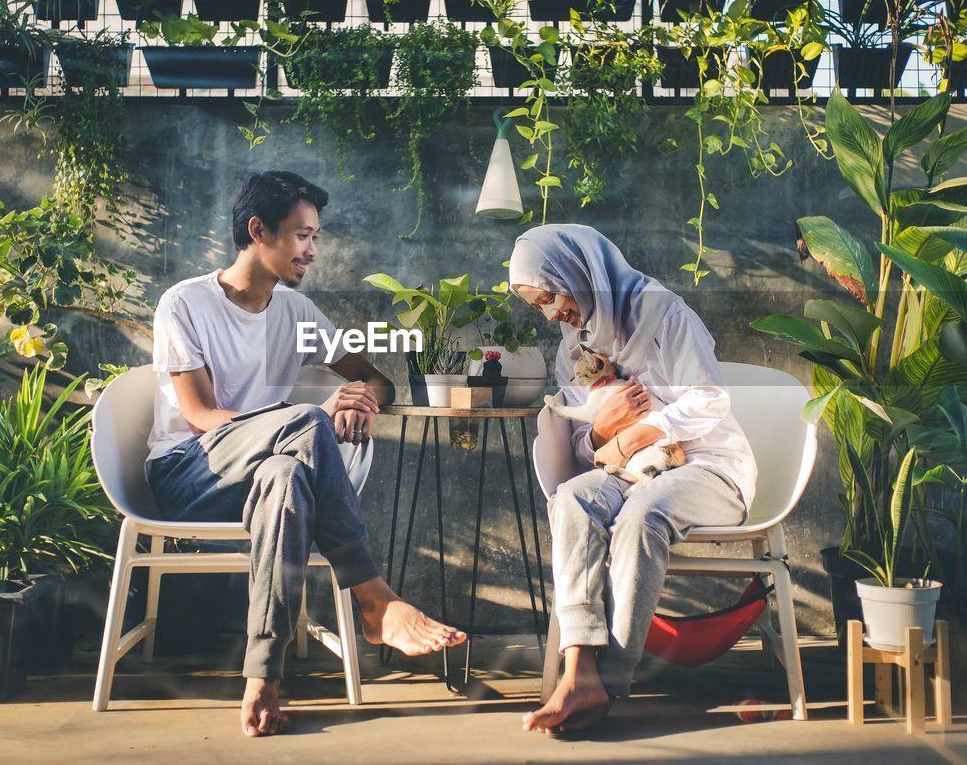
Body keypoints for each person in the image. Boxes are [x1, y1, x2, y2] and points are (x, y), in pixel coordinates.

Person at [145, 170, 465, 737]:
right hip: (188, 472)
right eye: (300, 236)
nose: (312, 251)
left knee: (288, 476)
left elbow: (377, 380)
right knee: (303, 423)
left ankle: (263, 676)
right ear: (257, 230)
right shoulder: (185, 303)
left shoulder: (296, 313)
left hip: (262, 476)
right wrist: (305, 416)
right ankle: (373, 595)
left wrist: (360, 401)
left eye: (315, 236)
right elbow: (199, 415)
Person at [508, 224, 757, 734]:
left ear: (580, 275)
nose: (553, 313)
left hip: (707, 466)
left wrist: (636, 432)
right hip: (628, 471)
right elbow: (586, 450)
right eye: (540, 307)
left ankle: (608, 679)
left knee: (643, 515)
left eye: (552, 296)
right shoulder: (571, 350)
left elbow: (709, 399)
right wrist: (603, 431)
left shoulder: (664, 313)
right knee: (574, 497)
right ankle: (577, 668)